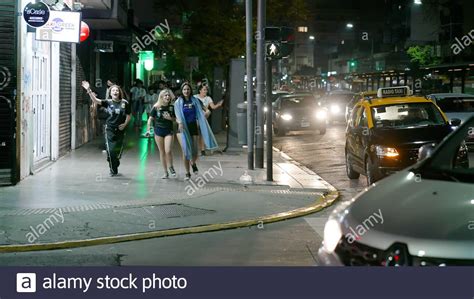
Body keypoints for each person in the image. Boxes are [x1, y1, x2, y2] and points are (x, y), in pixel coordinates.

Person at [82, 80, 131, 176]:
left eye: (117, 90)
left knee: (116, 151)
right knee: (111, 150)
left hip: (120, 129)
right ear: (110, 93)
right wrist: (89, 90)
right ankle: (113, 169)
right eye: (113, 91)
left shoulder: (124, 103)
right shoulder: (107, 102)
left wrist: (125, 124)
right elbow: (96, 100)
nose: (115, 92)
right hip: (109, 129)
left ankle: (114, 161)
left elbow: (129, 115)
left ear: (119, 92)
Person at [174, 83, 218, 180]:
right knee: (185, 150)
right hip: (182, 128)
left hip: (193, 126)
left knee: (194, 152)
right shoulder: (178, 102)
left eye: (188, 89)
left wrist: (203, 117)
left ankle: (193, 163)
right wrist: (180, 122)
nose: (186, 91)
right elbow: (176, 117)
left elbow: (207, 111)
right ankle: (187, 173)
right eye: (184, 89)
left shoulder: (195, 100)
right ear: (181, 90)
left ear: (190, 90)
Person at [145, 89, 177, 179]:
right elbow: (150, 119)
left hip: (168, 131)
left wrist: (170, 118)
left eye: (168, 95)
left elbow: (176, 119)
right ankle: (165, 172)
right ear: (161, 97)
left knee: (168, 150)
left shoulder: (172, 107)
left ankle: (171, 166)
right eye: (165, 95)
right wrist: (148, 130)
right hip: (158, 131)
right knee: (162, 152)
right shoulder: (156, 107)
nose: (167, 97)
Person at [194, 84, 223, 155]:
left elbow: (213, 107)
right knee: (196, 134)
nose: (205, 91)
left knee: (202, 134)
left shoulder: (208, 98)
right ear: (200, 90)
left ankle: (202, 150)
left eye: (206, 90)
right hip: (195, 118)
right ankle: (196, 149)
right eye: (204, 90)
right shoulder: (195, 97)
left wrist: (218, 105)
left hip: (204, 118)